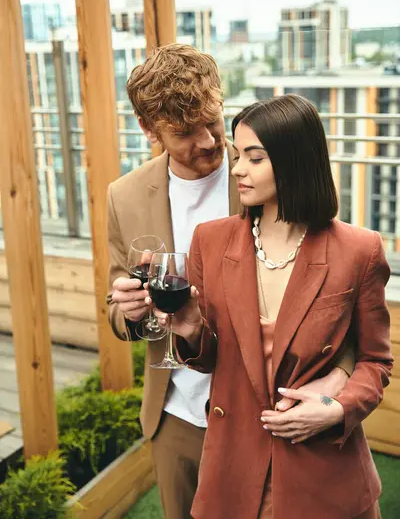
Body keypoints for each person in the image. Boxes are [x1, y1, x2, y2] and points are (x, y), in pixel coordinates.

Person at [107, 48, 353, 519]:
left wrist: (335, 381)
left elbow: (333, 295)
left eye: (212, 121)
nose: (208, 141)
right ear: (148, 130)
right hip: (176, 415)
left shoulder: (272, 178)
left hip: (264, 416)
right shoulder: (125, 196)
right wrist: (129, 311)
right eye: (184, 132)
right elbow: (117, 310)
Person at [151, 94, 393, 519]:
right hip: (234, 467)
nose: (238, 169)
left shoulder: (360, 250)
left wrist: (335, 410)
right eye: (237, 154)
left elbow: (375, 360)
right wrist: (189, 329)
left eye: (254, 158)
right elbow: (210, 359)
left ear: (294, 160)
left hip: (324, 471)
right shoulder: (210, 240)